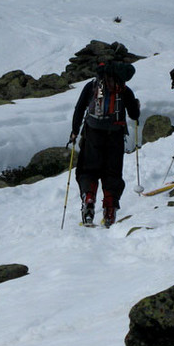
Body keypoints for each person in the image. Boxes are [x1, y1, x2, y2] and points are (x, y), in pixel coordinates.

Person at [69, 61, 140, 227]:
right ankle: (109, 210)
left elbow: (79, 108)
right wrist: (136, 106)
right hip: (115, 135)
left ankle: (88, 198)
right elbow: (134, 115)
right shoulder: (123, 90)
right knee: (112, 173)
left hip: (92, 133)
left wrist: (74, 130)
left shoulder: (92, 86)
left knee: (88, 170)